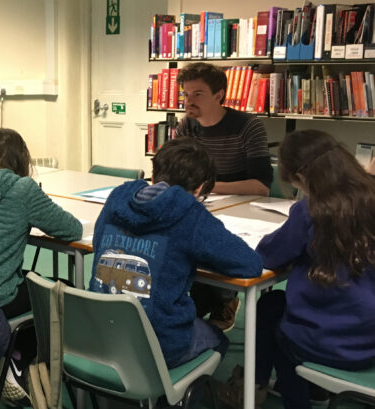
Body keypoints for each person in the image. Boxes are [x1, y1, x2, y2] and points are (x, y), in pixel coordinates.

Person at [218, 129, 375, 409]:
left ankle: (266, 391)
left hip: (326, 341)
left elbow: (267, 256)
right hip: (368, 338)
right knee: (276, 306)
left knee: (271, 314)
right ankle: (286, 388)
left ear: (302, 178)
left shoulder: (312, 211)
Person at [88, 138, 263, 370]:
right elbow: (249, 264)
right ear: (200, 188)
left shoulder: (116, 200)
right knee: (218, 339)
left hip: (101, 332)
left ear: (154, 175)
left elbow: (98, 243)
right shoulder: (189, 213)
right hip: (160, 344)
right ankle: (174, 398)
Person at [0, 128, 82, 403]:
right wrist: (35, 200)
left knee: (30, 279)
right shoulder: (22, 188)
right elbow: (71, 229)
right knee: (63, 290)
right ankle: (16, 359)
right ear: (21, 159)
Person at [175, 62, 274, 332]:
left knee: (218, 242)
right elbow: (178, 173)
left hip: (243, 209)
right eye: (186, 94)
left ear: (219, 95)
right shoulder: (187, 126)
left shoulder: (248, 126)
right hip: (202, 205)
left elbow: (261, 186)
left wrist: (209, 186)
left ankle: (225, 298)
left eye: (197, 94)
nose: (189, 101)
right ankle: (200, 299)